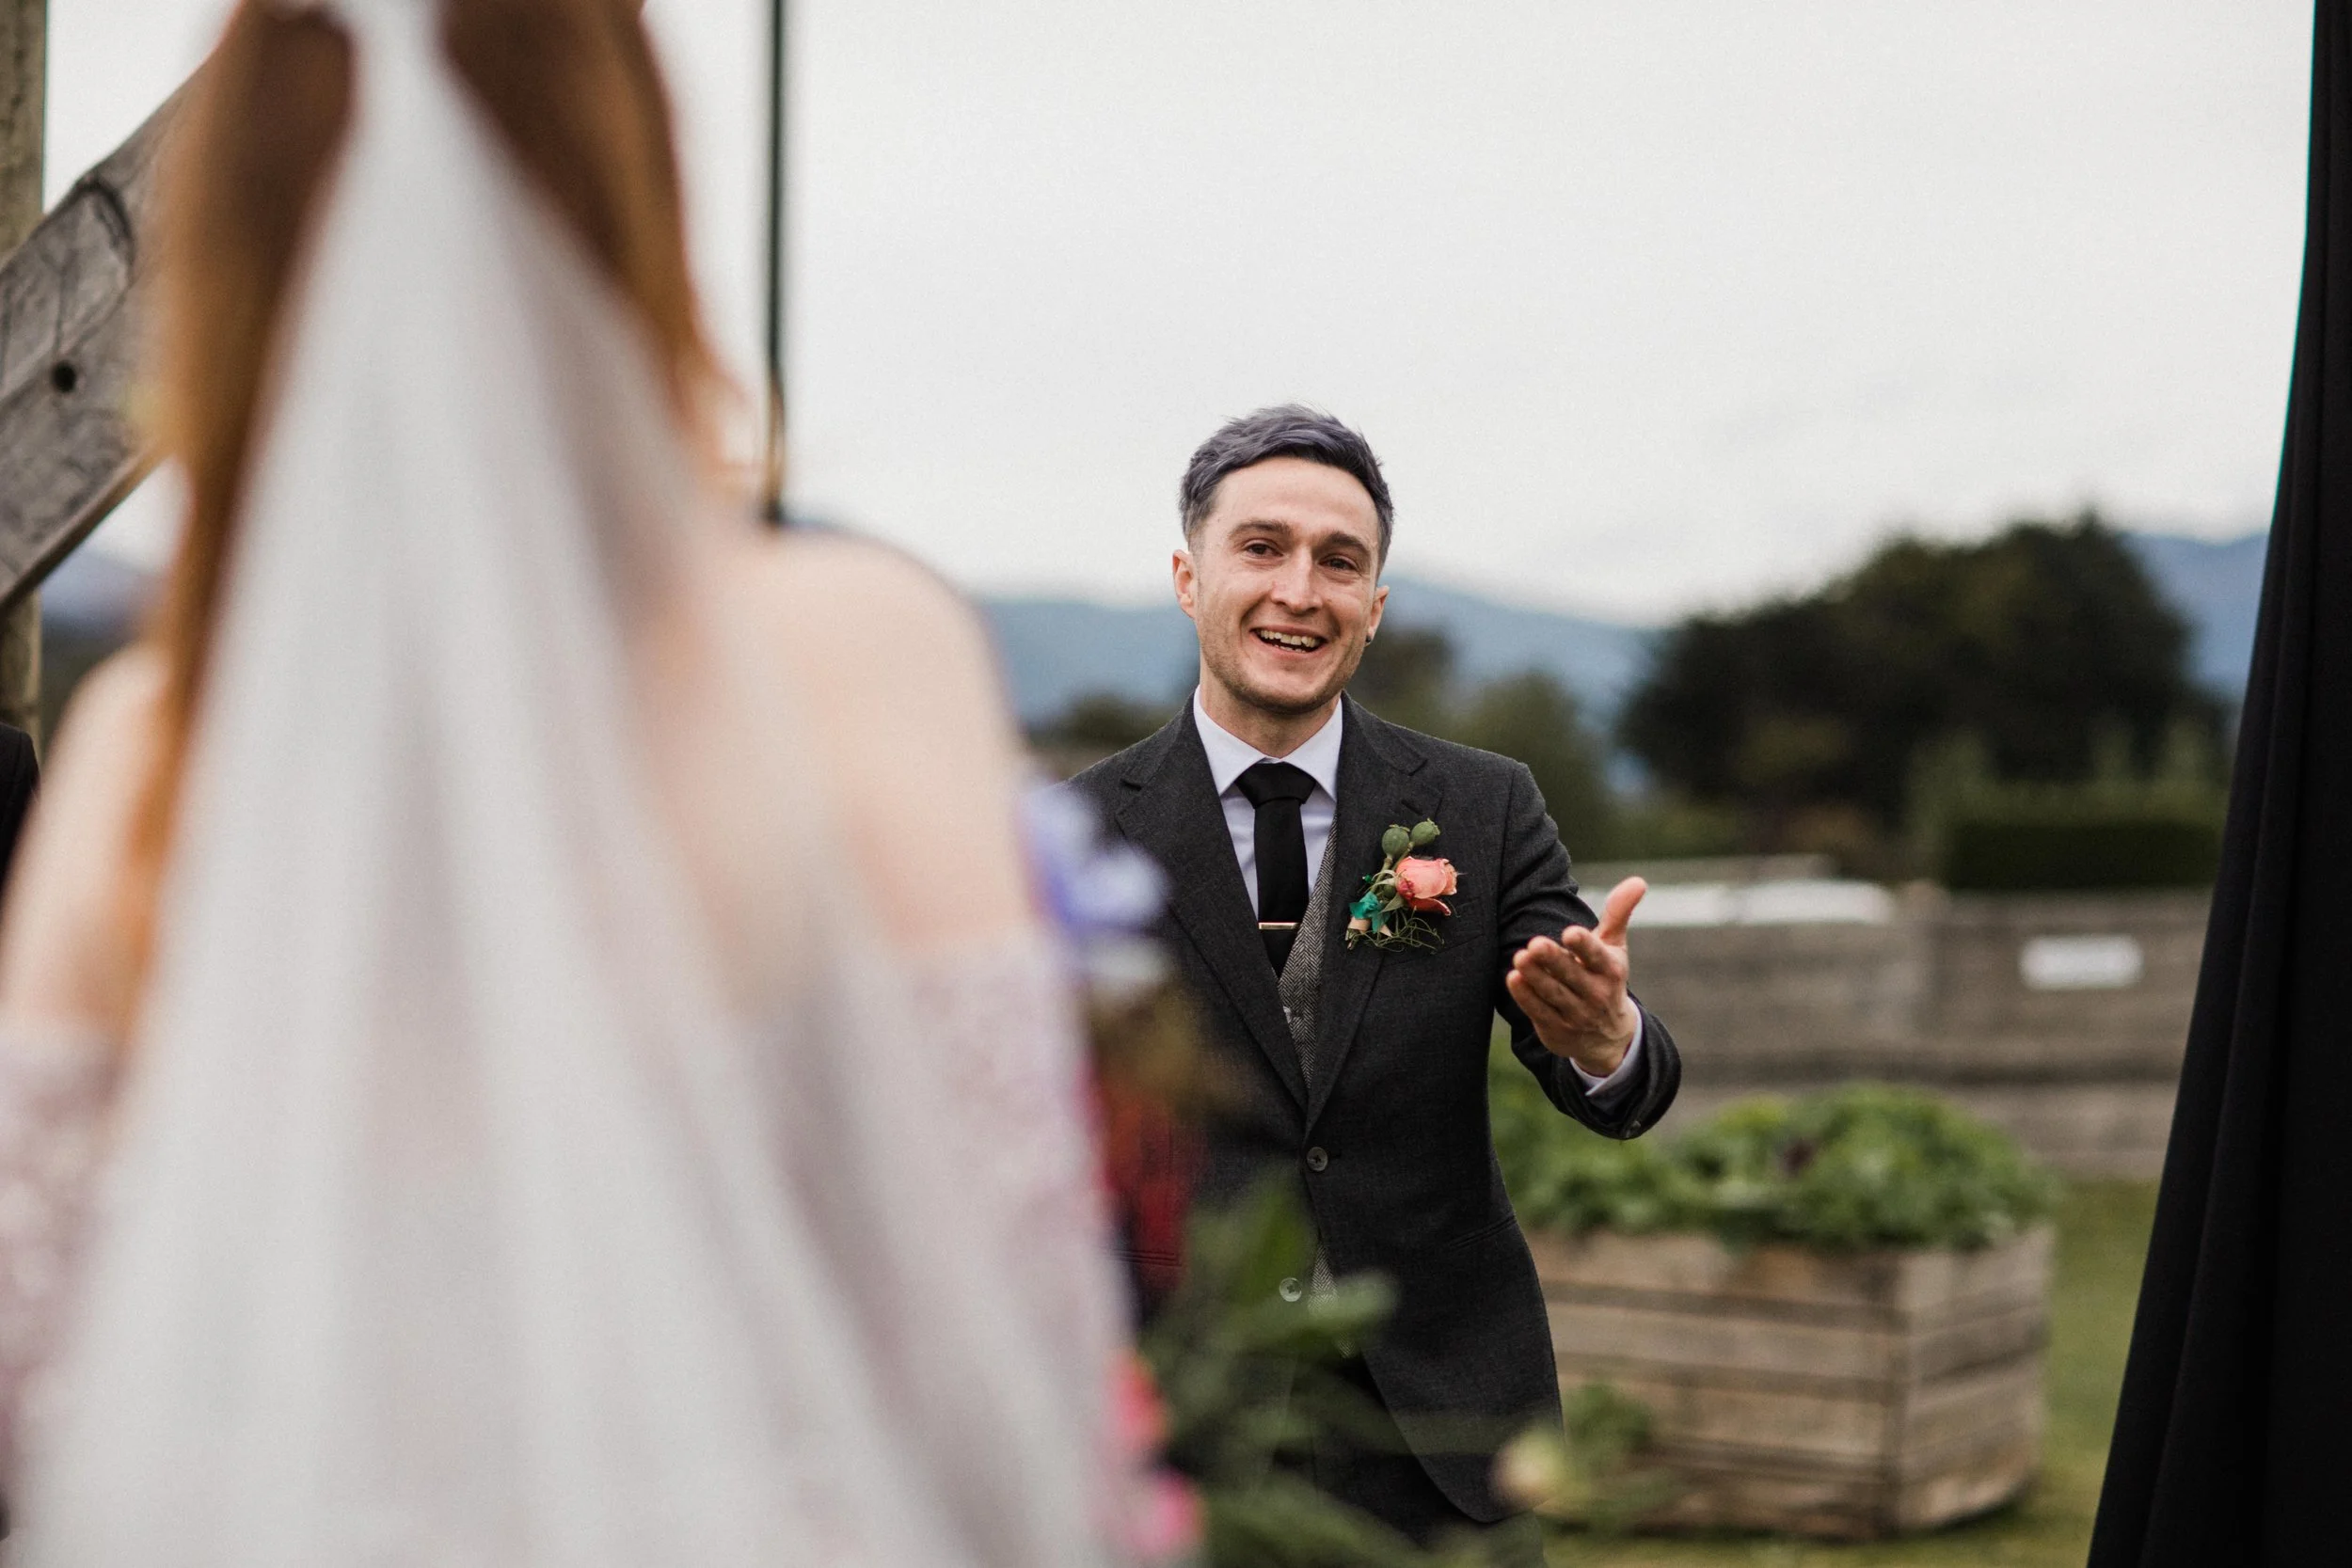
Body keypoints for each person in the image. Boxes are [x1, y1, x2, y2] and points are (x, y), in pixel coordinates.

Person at [0, 0, 1132, 1562]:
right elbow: (1007, 1381)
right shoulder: (854, 656)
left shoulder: (151, 743)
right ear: (632, 196)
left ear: (231, 268)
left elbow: (47, 1387)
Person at [1068, 404, 1683, 1557]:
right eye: (1262, 548)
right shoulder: (1076, 832)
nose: (1302, 588)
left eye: (1339, 562)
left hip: (1444, 1432)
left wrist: (1604, 1036)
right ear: (1187, 576)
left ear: (1375, 608)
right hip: (1182, 1417)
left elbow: (1599, 1045)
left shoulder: (1484, 805)